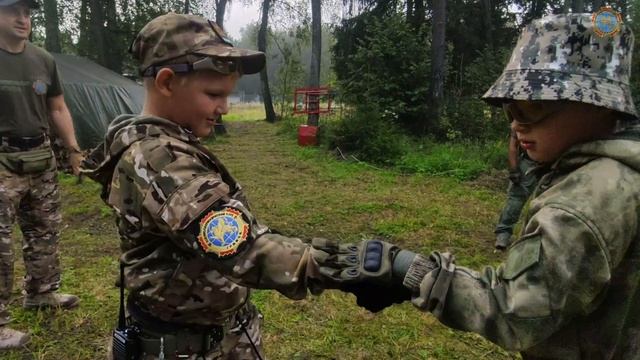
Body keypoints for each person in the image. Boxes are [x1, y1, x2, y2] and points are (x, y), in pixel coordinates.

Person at [311, 12, 640, 359]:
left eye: (530, 107)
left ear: (597, 105)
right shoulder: (621, 175)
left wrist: (406, 269)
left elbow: (513, 311)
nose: (515, 127)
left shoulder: (585, 203)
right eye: (509, 110)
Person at [83, 13, 335, 359]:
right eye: (214, 94)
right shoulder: (158, 161)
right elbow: (247, 251)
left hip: (213, 332)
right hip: (186, 345)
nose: (225, 109)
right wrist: (365, 267)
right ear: (168, 82)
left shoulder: (171, 144)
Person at [0, 0, 82, 350]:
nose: (23, 19)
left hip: (40, 157)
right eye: (13, 11)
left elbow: (58, 107)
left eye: (28, 13)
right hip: (2, 158)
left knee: (44, 230)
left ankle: (42, 292)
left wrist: (73, 149)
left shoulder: (43, 60)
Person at [494, 125, 540, 250]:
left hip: (553, 164)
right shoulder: (523, 119)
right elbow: (513, 146)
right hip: (528, 162)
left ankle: (538, 236)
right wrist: (514, 169)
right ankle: (504, 233)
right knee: (516, 198)